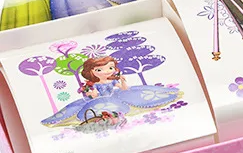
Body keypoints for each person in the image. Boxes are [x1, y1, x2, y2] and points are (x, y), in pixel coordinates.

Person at [41, 56, 181, 127]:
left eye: (110, 68)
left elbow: (124, 89)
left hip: (115, 96)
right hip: (99, 100)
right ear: (91, 72)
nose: (107, 72)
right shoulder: (93, 84)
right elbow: (92, 95)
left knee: (140, 95)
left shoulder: (112, 80)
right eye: (99, 70)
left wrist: (123, 81)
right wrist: (91, 93)